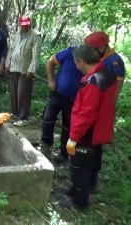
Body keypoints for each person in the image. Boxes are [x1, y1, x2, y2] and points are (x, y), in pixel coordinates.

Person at [61, 45, 117, 210]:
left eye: (75, 63)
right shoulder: (106, 74)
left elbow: (86, 114)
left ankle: (79, 202)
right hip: (99, 130)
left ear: (81, 62)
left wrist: (74, 138)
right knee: (92, 162)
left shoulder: (93, 82)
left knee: (79, 165)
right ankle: (82, 189)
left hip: (87, 132)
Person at [40, 45, 84, 163]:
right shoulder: (70, 52)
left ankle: (63, 153)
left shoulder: (94, 60)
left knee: (68, 125)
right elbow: (51, 61)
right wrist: (51, 80)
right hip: (58, 93)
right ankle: (45, 145)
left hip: (74, 99)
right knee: (48, 118)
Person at [5, 14, 42, 126]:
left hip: (25, 70)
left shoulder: (35, 36)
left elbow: (35, 55)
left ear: (30, 23)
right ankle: (15, 115)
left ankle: (23, 117)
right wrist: (7, 64)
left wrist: (31, 69)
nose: (24, 27)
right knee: (14, 93)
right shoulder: (17, 33)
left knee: (23, 94)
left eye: (27, 25)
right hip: (13, 67)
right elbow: (11, 49)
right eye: (22, 25)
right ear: (19, 24)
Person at [84, 31, 126, 102]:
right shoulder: (104, 59)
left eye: (91, 51)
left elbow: (118, 83)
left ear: (101, 48)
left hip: (102, 103)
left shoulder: (113, 62)